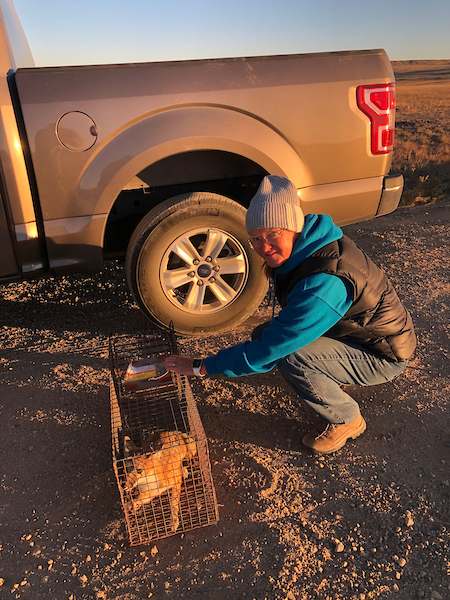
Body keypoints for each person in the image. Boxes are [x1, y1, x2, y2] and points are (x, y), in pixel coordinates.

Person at [165, 175, 416, 454]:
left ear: (293, 227)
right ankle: (332, 375)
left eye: (273, 234)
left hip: (382, 354)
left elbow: (272, 348)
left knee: (292, 356)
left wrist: (202, 366)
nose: (264, 247)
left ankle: (347, 419)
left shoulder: (324, 280)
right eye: (256, 239)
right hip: (357, 334)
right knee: (264, 334)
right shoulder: (311, 245)